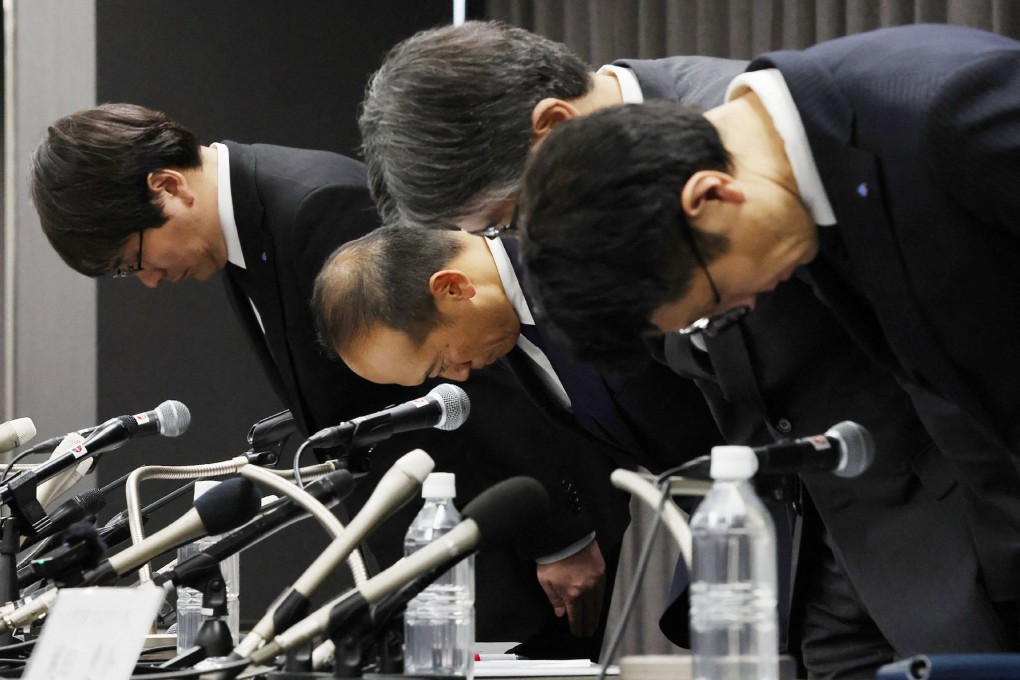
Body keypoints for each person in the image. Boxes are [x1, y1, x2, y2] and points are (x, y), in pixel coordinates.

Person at [359, 20, 1020, 677]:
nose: (518, 245)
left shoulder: (776, 138)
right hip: (833, 550)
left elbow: (935, 359)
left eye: (505, 219)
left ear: (553, 126)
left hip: (954, 519)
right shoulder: (728, 181)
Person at [28, 103, 634, 658]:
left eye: (133, 261)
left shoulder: (318, 204)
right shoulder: (253, 227)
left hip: (507, 541)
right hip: (437, 551)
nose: (151, 281)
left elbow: (477, 357)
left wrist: (558, 532)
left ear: (167, 185)